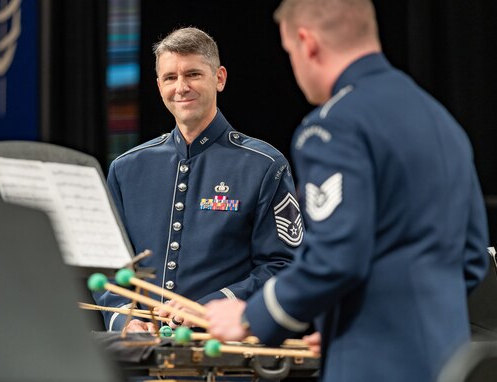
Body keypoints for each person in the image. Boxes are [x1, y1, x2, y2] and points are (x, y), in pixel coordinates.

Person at [205, 1, 489, 381]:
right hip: (450, 362)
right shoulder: (441, 120)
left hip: (373, 368)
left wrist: (250, 315)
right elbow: (471, 259)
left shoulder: (333, 126)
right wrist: (348, 322)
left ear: (307, 43)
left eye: (289, 52)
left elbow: (336, 258)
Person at [95, 27, 304, 332]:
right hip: (141, 360)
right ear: (158, 85)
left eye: (193, 74)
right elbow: (108, 262)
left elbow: (284, 266)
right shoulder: (126, 168)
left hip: (224, 358)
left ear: (219, 78)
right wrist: (124, 319)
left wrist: (214, 304)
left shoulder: (265, 165)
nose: (181, 87)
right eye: (170, 78)